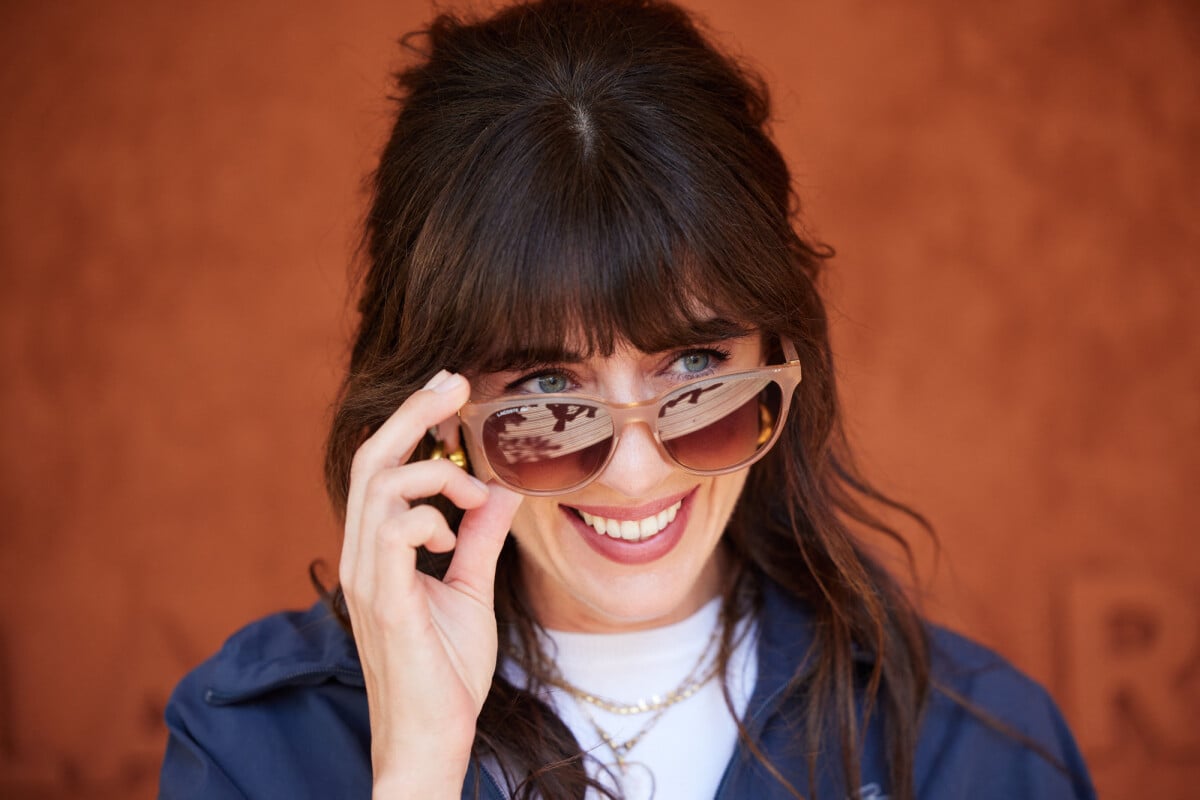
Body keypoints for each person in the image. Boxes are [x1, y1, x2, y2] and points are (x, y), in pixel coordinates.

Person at [158, 1, 1096, 798]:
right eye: (545, 389)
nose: (638, 471)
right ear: (439, 417)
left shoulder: (976, 753)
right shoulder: (253, 748)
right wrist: (416, 768)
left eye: (695, 370)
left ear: (782, 356)